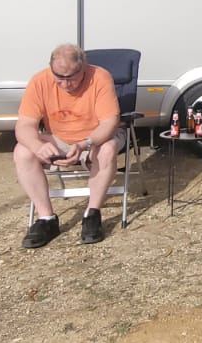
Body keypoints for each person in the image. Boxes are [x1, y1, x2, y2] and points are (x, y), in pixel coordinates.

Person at [14, 43, 122, 248]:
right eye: (59, 78)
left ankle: (92, 213)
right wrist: (37, 146)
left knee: (106, 149)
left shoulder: (99, 77)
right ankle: (46, 218)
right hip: (59, 137)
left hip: (94, 137)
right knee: (22, 151)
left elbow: (110, 122)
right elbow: (24, 125)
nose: (65, 84)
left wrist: (85, 143)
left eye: (71, 77)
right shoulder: (39, 81)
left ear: (83, 67)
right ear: (50, 68)